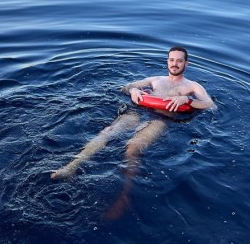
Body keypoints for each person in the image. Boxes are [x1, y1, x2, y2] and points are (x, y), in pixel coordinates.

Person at [50, 46, 215, 217]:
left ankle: (125, 194)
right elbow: (126, 86)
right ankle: (70, 167)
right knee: (107, 133)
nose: (175, 64)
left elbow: (210, 104)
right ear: (167, 61)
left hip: (161, 119)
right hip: (138, 113)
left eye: (179, 60)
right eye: (172, 60)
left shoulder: (192, 86)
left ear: (186, 64)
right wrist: (133, 90)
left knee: (133, 147)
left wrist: (187, 99)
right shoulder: (155, 80)